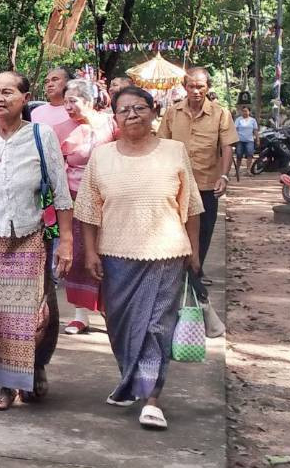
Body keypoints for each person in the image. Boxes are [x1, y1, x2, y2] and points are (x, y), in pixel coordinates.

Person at [75, 85, 203, 430]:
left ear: (153, 111)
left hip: (166, 254)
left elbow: (190, 207)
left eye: (139, 108)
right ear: (114, 117)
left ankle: (151, 397)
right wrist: (89, 253)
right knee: (121, 327)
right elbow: (88, 211)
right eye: (124, 110)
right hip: (116, 256)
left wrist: (194, 253)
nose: (132, 115)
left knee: (157, 327)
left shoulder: (175, 151)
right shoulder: (102, 156)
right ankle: (132, 380)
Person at [0, 70, 73, 412]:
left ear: (25, 98)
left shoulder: (42, 135)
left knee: (35, 313)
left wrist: (66, 241)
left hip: (29, 236)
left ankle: (35, 366)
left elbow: (61, 192)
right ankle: (7, 384)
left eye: (7, 92)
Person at [158, 66, 233, 334]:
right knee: (176, 249)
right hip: (175, 189)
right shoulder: (172, 112)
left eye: (201, 86)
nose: (196, 91)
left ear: (207, 87)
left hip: (205, 189)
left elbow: (227, 147)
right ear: (185, 86)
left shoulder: (221, 114)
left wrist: (223, 176)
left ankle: (198, 305)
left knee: (197, 250)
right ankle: (196, 306)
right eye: (191, 86)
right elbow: (160, 146)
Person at [59, 79, 115, 335]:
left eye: (73, 101)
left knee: (107, 253)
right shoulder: (64, 129)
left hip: (108, 198)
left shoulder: (110, 124)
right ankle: (80, 315)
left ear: (89, 102)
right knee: (78, 255)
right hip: (73, 198)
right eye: (66, 102)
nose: (68, 107)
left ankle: (110, 309)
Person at [30, 67, 78, 145]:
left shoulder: (77, 110)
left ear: (68, 83)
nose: (50, 84)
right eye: (46, 82)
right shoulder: (36, 112)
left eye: (55, 79)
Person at [233, 103, 259, 180]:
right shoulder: (238, 119)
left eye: (246, 111)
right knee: (239, 156)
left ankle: (248, 170)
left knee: (250, 155)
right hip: (240, 140)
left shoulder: (253, 120)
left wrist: (257, 139)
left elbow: (255, 130)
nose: (244, 112)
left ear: (249, 112)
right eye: (243, 111)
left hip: (249, 140)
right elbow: (235, 129)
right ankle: (237, 171)